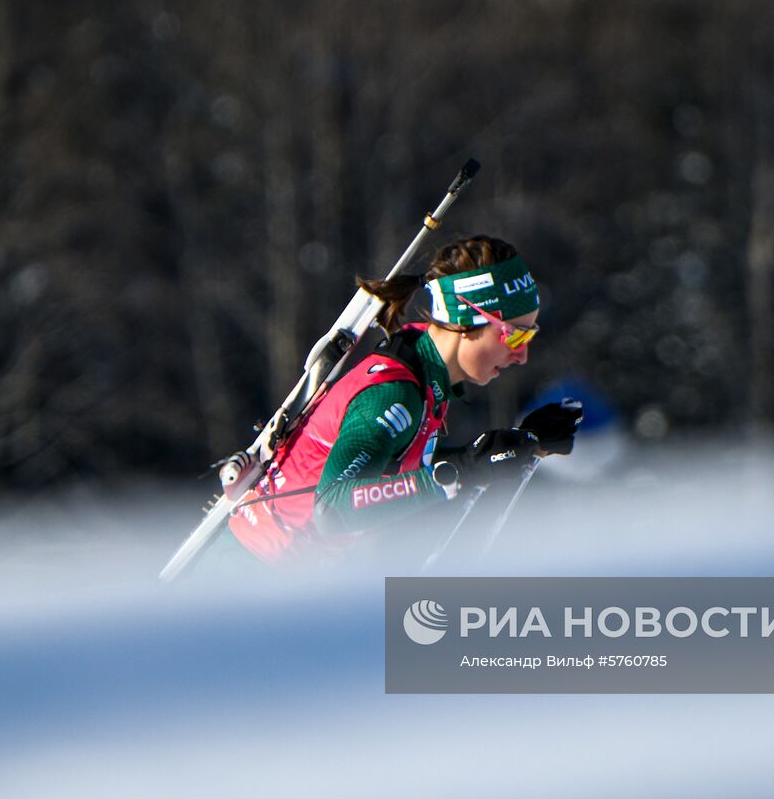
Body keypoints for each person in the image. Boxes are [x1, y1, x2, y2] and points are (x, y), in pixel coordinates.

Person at [207, 234, 582, 571]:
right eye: (515, 337)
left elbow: (394, 470)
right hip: (252, 574)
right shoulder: (393, 395)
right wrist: (464, 469)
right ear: (468, 318)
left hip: (284, 575)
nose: (523, 356)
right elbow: (333, 508)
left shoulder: (426, 370)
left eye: (530, 336)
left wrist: (516, 445)